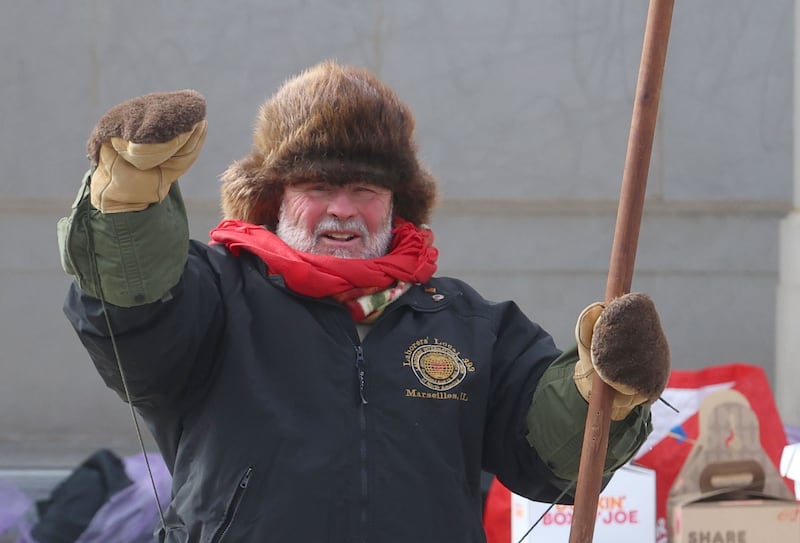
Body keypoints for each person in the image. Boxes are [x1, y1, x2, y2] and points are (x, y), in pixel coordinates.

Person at [58, 60, 670, 542]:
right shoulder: (214, 294)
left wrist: (601, 391)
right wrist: (126, 206)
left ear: (396, 201)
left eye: (364, 189)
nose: (343, 210)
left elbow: (550, 454)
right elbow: (132, 308)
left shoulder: (467, 322)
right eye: (318, 187)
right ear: (274, 198)